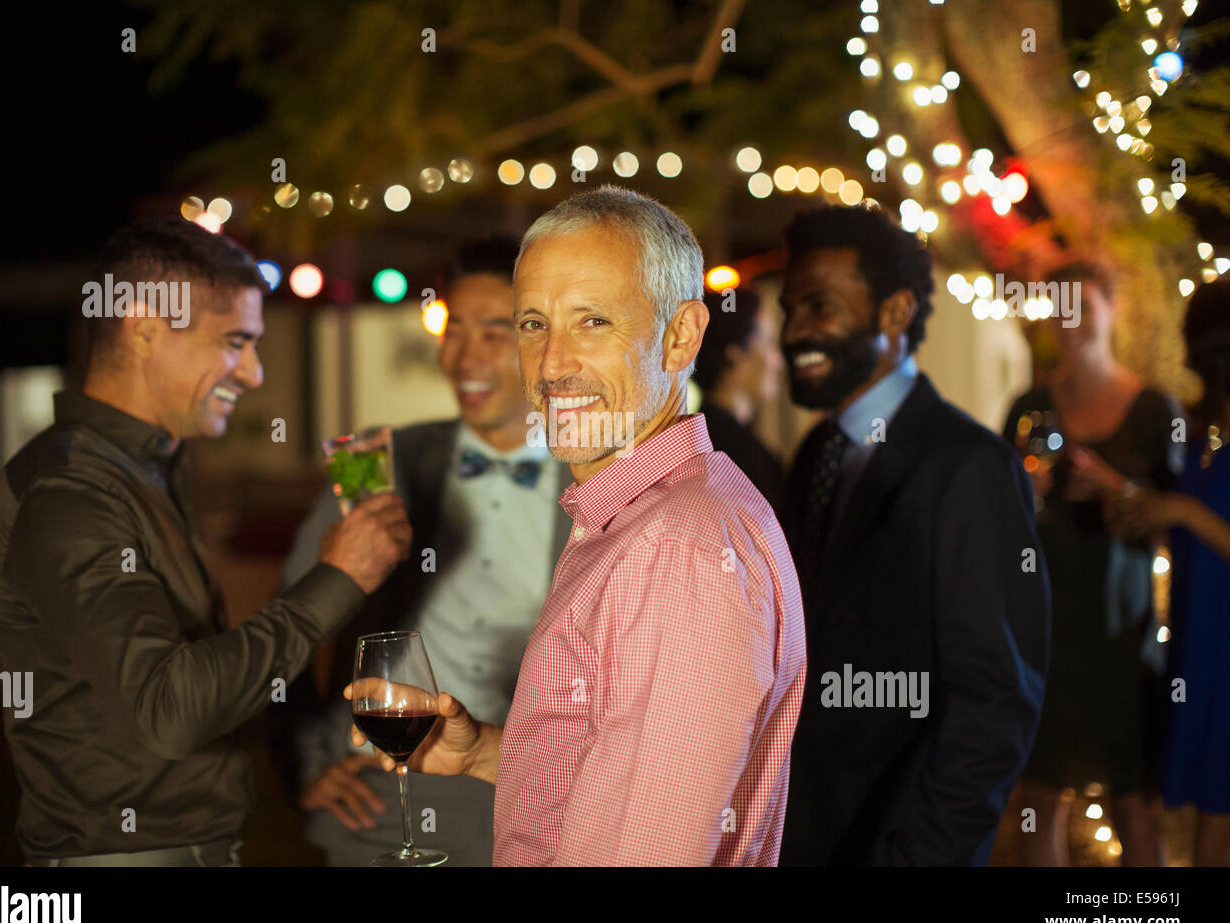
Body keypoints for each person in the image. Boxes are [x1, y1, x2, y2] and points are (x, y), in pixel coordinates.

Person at [348, 185, 807, 865]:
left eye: (593, 321)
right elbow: (621, 783)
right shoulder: (647, 514)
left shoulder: (677, 548)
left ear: (681, 336)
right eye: (533, 323)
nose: (552, 365)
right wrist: (484, 752)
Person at [0, 217, 411, 866]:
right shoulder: (73, 489)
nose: (255, 372)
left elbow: (191, 690)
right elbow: (170, 708)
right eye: (236, 341)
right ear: (146, 329)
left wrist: (297, 771)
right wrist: (340, 576)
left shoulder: (146, 467)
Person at [276, 236, 572, 866]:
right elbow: (290, 619)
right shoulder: (372, 461)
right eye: (453, 329)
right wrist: (308, 765)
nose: (465, 356)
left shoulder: (597, 481)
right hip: (383, 793)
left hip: (526, 793)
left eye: (495, 332)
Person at [776, 203, 1049, 866]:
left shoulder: (970, 466)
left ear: (895, 314)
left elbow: (995, 701)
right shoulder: (817, 451)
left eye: (821, 306)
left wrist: (922, 856)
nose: (795, 330)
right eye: (790, 308)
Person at [1002, 260, 1182, 866]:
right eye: (1060, 305)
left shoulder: (1156, 409)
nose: (1071, 318)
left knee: (1136, 803)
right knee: (1041, 796)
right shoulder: (1028, 406)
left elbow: (1181, 518)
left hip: (1126, 636)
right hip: (1046, 632)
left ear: (1111, 309)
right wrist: (1024, 495)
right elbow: (1000, 523)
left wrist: (1112, 487)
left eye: (1084, 303)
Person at [1106, 277, 1230, 866]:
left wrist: (1182, 510)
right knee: (1209, 816)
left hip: (1224, 647)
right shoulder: (1206, 434)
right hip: (1199, 641)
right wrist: (1135, 503)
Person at [693, 287, 785, 509]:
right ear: (734, 354)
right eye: (770, 342)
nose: (779, 362)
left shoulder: (695, 438)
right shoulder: (739, 456)